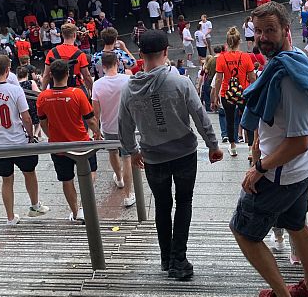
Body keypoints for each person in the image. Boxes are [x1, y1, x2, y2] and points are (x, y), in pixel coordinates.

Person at [230, 1, 308, 297]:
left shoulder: (288, 77)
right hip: (302, 172)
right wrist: (259, 143)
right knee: (295, 224)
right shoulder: (296, 58)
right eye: (258, 31)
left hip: (280, 175)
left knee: (244, 232)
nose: (262, 37)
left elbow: (300, 141)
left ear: (287, 31)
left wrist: (259, 168)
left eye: (270, 30)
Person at [118, 31, 222, 280]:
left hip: (153, 157)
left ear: (141, 55)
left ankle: (166, 258)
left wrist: (132, 151)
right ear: (166, 52)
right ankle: (179, 259)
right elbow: (200, 115)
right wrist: (212, 144)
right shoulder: (181, 82)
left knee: (162, 206)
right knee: (184, 202)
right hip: (184, 153)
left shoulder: (129, 89)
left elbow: (123, 124)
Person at [0, 55, 48, 225]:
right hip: (18, 141)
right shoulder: (15, 90)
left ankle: (10, 217)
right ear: (8, 70)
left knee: (6, 180)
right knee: (29, 173)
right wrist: (31, 136)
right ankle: (35, 205)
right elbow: (26, 117)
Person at [36, 59, 101, 223]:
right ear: (68, 74)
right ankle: (85, 206)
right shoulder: (77, 93)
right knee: (90, 172)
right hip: (81, 144)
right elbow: (91, 120)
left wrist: (50, 134)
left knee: (66, 180)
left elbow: (43, 122)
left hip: (59, 146)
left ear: (51, 75)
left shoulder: (43, 97)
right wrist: (98, 134)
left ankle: (75, 212)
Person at [92, 52, 134, 208]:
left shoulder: (97, 84)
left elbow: (95, 112)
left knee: (113, 153)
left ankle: (119, 177)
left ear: (103, 66)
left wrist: (96, 130)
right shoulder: (127, 80)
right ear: (118, 63)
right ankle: (128, 195)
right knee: (127, 157)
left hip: (108, 125)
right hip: (127, 125)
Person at [211, 27, 256, 158]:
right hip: (244, 91)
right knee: (248, 118)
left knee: (229, 119)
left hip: (227, 93)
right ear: (239, 41)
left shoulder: (221, 58)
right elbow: (252, 77)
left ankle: (233, 146)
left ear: (227, 42)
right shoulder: (246, 57)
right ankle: (250, 148)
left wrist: (215, 96)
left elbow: (219, 78)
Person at [41, 23, 93, 92]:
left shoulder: (52, 52)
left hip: (55, 90)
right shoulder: (80, 54)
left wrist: (43, 91)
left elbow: (46, 75)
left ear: (62, 35)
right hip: (75, 89)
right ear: (74, 35)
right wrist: (93, 90)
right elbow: (87, 76)